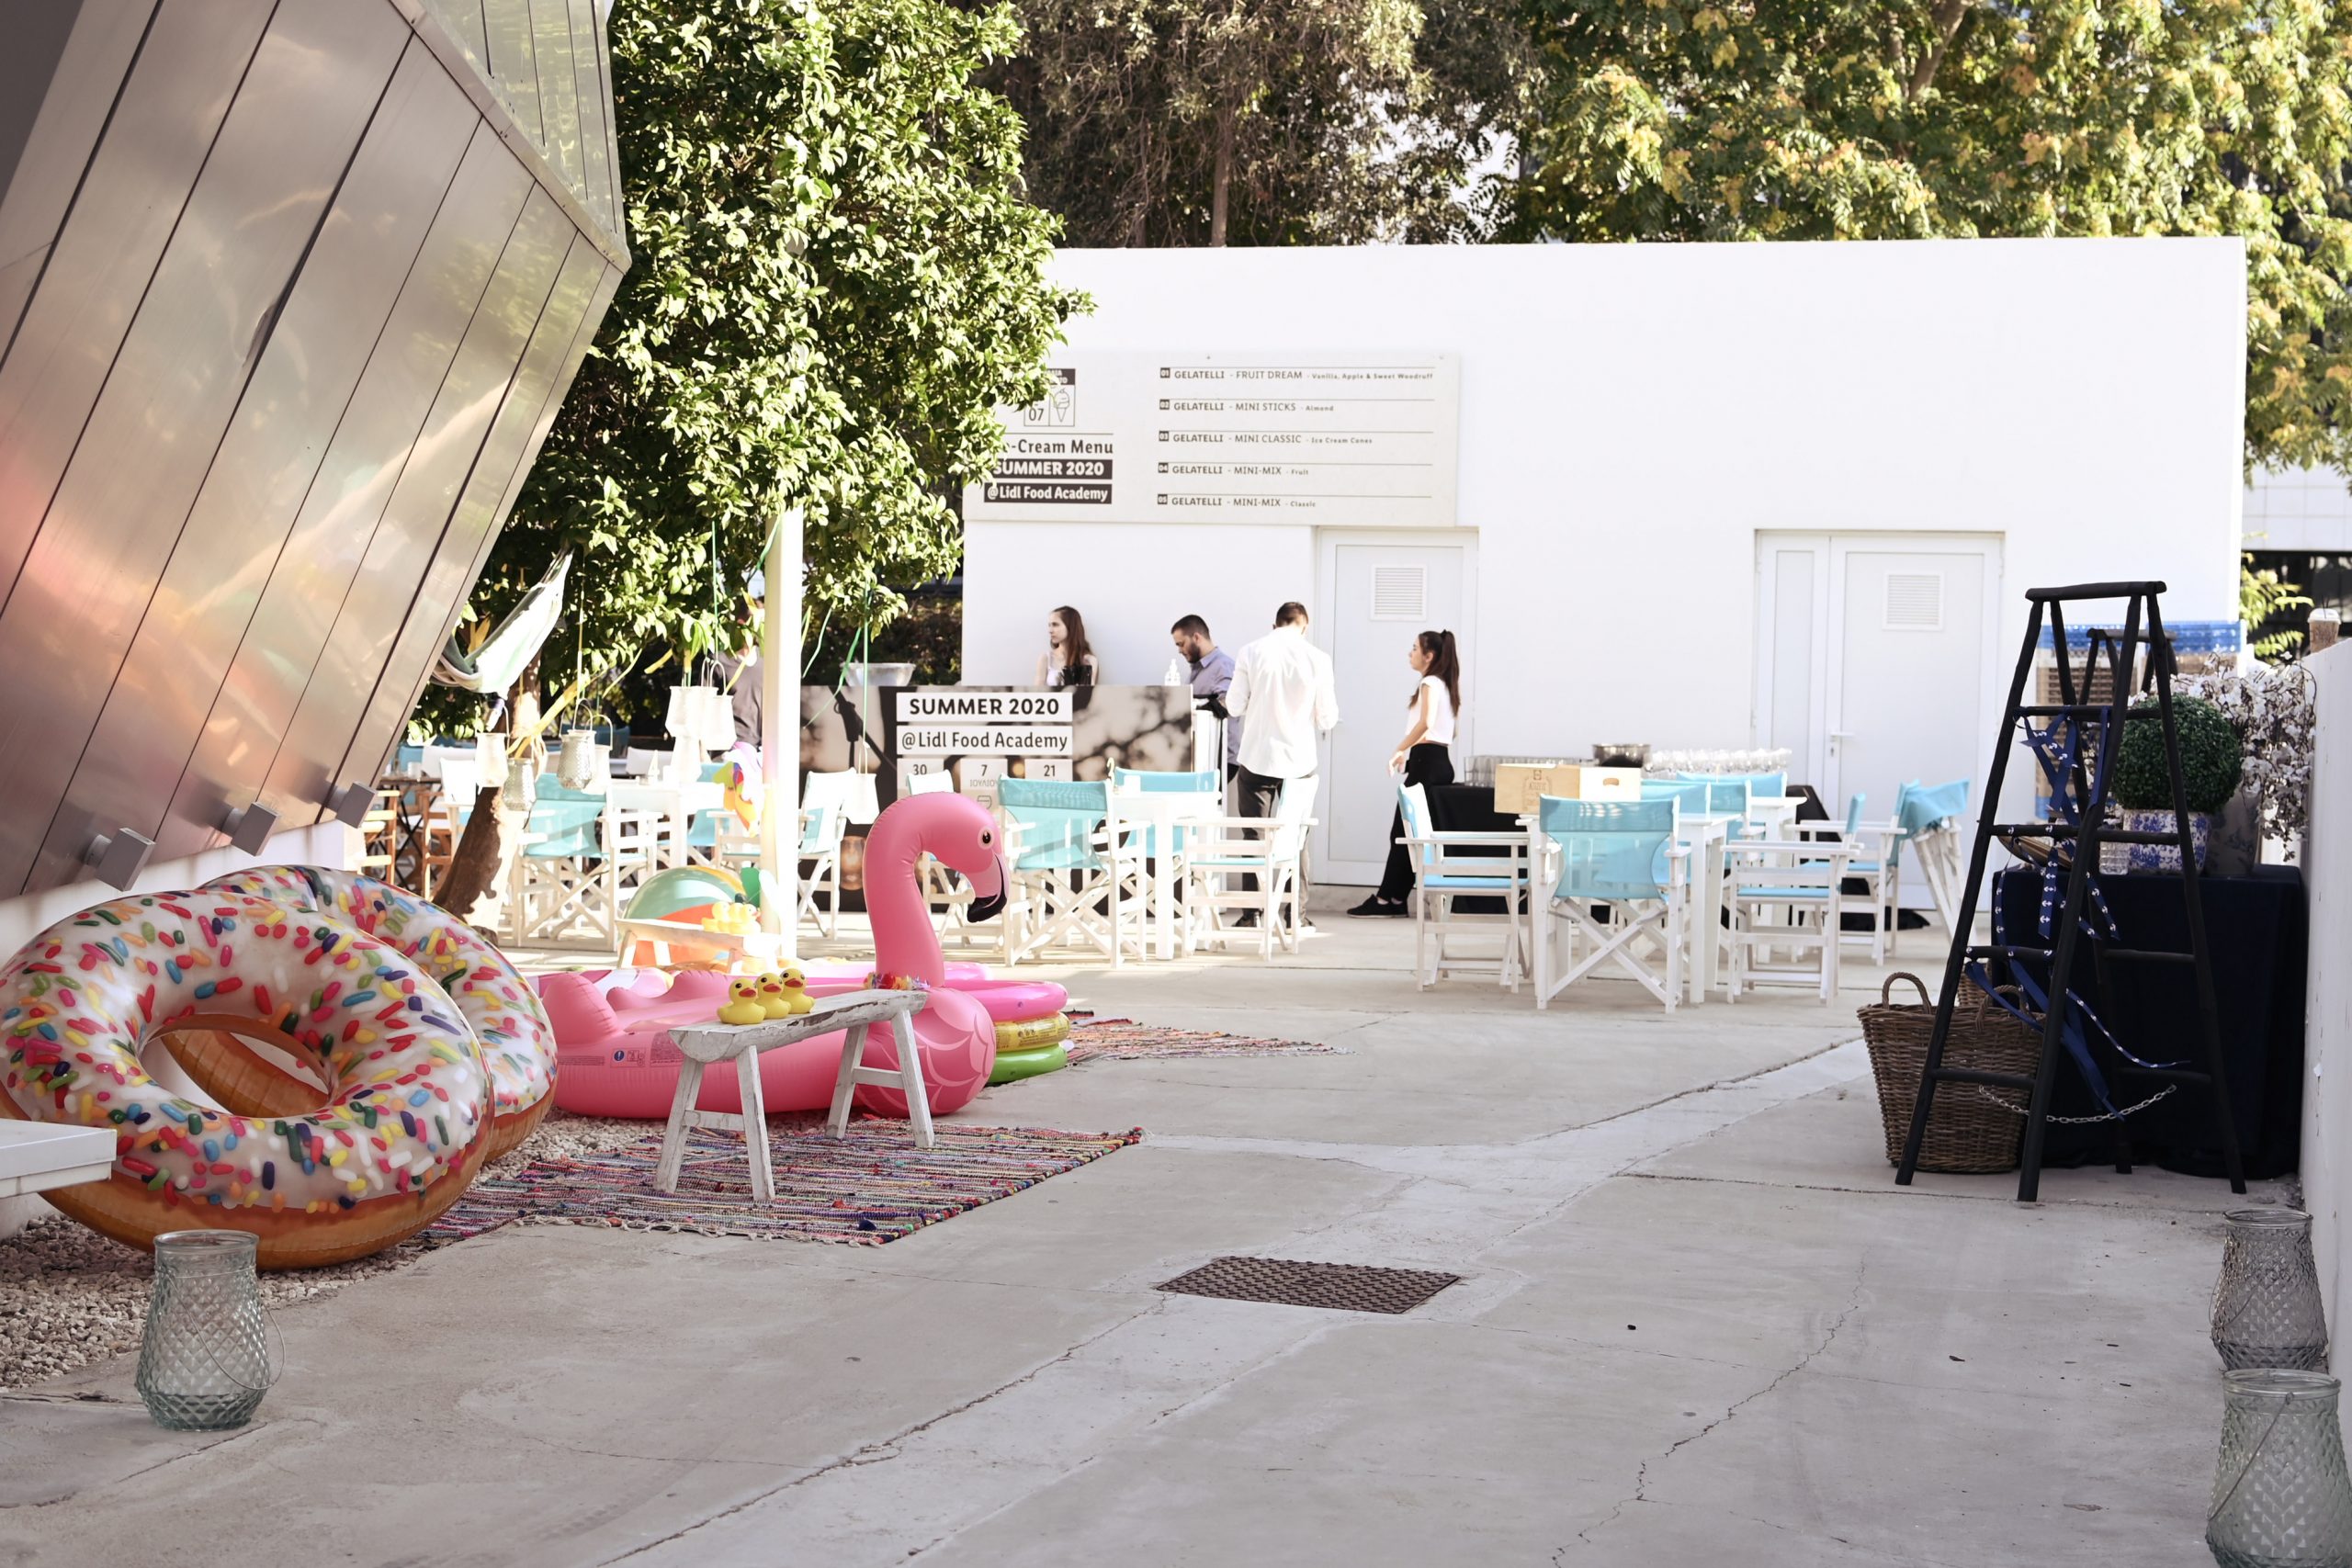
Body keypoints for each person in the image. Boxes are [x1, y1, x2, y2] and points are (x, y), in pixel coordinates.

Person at [1226, 602, 1339, 922]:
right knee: (1297, 838)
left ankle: (1253, 914)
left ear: (1274, 625)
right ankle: (1295, 915)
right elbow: (1327, 719)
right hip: (1299, 762)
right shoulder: (1318, 658)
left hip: (1257, 757)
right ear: (1305, 626)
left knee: (1254, 838)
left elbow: (1234, 706)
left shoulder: (1250, 651)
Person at [1353, 630, 1462, 917]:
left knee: (1403, 833)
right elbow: (1449, 730)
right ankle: (1394, 898)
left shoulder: (1429, 683)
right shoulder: (1447, 685)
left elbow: (1425, 723)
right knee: (1412, 834)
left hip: (1427, 763)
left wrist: (1400, 749)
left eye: (1414, 648)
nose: (1409, 653)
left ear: (1429, 656)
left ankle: (1386, 900)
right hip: (1437, 761)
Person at [1170, 614, 1238, 772]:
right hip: (1199, 756)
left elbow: (1227, 705)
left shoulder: (1223, 667)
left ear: (1196, 637)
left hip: (1218, 759)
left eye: (1181, 644)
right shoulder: (1196, 670)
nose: (1179, 651)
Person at [1035, 605, 1100, 688]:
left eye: (1055, 625)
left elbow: (1088, 691)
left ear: (1070, 626)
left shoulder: (1089, 660)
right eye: (1049, 625)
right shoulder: (1046, 658)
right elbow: (1037, 692)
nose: (1050, 630)